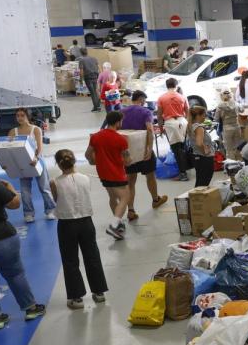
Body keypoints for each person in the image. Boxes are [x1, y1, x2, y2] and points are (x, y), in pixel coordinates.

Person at [50, 150, 107, 309]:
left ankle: (76, 298)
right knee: (92, 256)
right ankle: (99, 292)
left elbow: (56, 199)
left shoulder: (54, 182)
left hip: (67, 224)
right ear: (74, 161)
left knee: (70, 260)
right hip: (86, 222)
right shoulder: (86, 178)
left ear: (58, 164)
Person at [0, 177, 46, 329]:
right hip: (2, 237)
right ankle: (30, 308)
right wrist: (10, 188)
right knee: (15, 274)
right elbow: (15, 204)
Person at [120, 91, 168, 221]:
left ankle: (131, 210)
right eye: (144, 101)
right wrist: (148, 148)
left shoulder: (122, 112)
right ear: (141, 100)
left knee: (130, 181)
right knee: (150, 175)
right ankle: (155, 199)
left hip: (128, 151)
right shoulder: (145, 112)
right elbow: (150, 130)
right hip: (142, 149)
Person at [86, 111, 132, 240]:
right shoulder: (121, 139)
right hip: (117, 174)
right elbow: (127, 161)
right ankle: (113, 225)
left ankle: (118, 224)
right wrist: (130, 159)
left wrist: (93, 161)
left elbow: (87, 155)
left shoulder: (95, 137)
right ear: (118, 122)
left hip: (103, 173)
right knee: (125, 198)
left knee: (112, 197)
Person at [8, 108, 57, 222]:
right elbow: (8, 149)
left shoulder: (36, 130)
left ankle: (50, 210)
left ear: (27, 116)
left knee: (44, 187)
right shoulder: (12, 132)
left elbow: (39, 147)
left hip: (37, 161)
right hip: (22, 163)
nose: (19, 118)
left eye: (22, 115)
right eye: (18, 116)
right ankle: (28, 213)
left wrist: (36, 158)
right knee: (25, 190)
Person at [156, 78, 190, 181]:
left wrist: (161, 128)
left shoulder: (161, 98)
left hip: (170, 123)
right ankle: (185, 170)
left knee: (176, 149)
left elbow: (159, 115)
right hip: (182, 122)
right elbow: (187, 112)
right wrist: (187, 124)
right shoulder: (182, 97)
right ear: (176, 85)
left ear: (166, 86)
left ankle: (183, 174)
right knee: (183, 147)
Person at [188, 105, 216, 187]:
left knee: (200, 182)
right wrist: (205, 150)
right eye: (204, 115)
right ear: (198, 115)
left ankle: (195, 198)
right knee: (203, 183)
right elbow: (199, 143)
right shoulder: (199, 127)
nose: (205, 117)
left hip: (197, 157)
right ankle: (197, 199)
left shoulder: (191, 126)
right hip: (204, 158)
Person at [215, 89, 243, 160]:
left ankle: (231, 167)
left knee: (229, 149)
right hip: (237, 127)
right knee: (238, 147)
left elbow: (216, 119)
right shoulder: (235, 103)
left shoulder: (220, 106)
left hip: (227, 128)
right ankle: (239, 163)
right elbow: (242, 110)